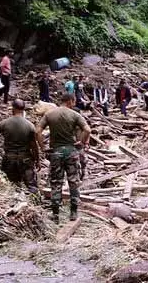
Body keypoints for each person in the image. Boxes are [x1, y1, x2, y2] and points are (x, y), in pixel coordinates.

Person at [36, 93, 90, 223]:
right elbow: (87, 130)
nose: (74, 103)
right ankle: (73, 212)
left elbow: (37, 131)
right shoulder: (75, 115)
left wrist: (43, 147)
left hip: (56, 152)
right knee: (73, 182)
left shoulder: (49, 114)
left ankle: (55, 214)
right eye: (74, 101)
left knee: (56, 182)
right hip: (71, 152)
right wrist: (81, 142)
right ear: (70, 101)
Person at [0, 99, 39, 193]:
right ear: (24, 109)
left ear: (13, 108)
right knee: (32, 186)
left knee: (10, 185)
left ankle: (13, 200)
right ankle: (34, 204)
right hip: (25, 159)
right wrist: (37, 160)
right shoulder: (30, 125)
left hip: (9, 159)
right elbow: (34, 146)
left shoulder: (5, 123)